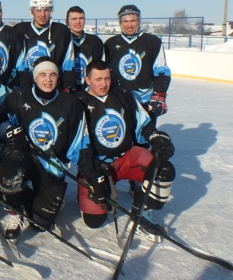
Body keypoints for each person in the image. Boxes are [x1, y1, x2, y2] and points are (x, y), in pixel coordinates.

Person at [75, 60, 175, 240]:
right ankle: (87, 195)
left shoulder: (122, 94)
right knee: (94, 221)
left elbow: (143, 122)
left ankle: (142, 213)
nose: (104, 84)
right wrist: (91, 169)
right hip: (97, 166)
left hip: (127, 157)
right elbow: (74, 144)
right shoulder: (77, 103)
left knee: (162, 169)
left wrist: (156, 137)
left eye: (107, 78)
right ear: (87, 80)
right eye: (98, 79)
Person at [0, 58, 91, 241]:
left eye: (53, 74)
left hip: (52, 164)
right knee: (11, 175)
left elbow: (80, 140)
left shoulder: (71, 103)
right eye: (43, 74)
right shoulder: (18, 97)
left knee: (41, 224)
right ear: (34, 77)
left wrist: (70, 166)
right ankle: (14, 214)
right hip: (26, 157)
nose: (48, 79)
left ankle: (30, 196)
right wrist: (11, 132)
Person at [104, 4, 171, 120]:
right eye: (126, 21)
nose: (129, 25)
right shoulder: (110, 44)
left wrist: (159, 95)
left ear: (139, 21)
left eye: (133, 21)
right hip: (118, 100)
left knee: (145, 136)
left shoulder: (152, 42)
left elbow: (161, 70)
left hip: (144, 101)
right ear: (120, 22)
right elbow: (103, 72)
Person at [13, 0, 73, 91]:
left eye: (46, 10)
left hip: (53, 88)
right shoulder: (20, 30)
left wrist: (67, 87)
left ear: (51, 11)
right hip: (26, 88)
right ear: (32, 11)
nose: (42, 14)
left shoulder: (61, 31)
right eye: (39, 10)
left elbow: (68, 63)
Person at [65, 5, 105, 92]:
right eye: (74, 19)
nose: (78, 22)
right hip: (67, 93)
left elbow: (103, 69)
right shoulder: (62, 41)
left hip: (90, 92)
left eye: (81, 18)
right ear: (67, 22)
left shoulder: (95, 42)